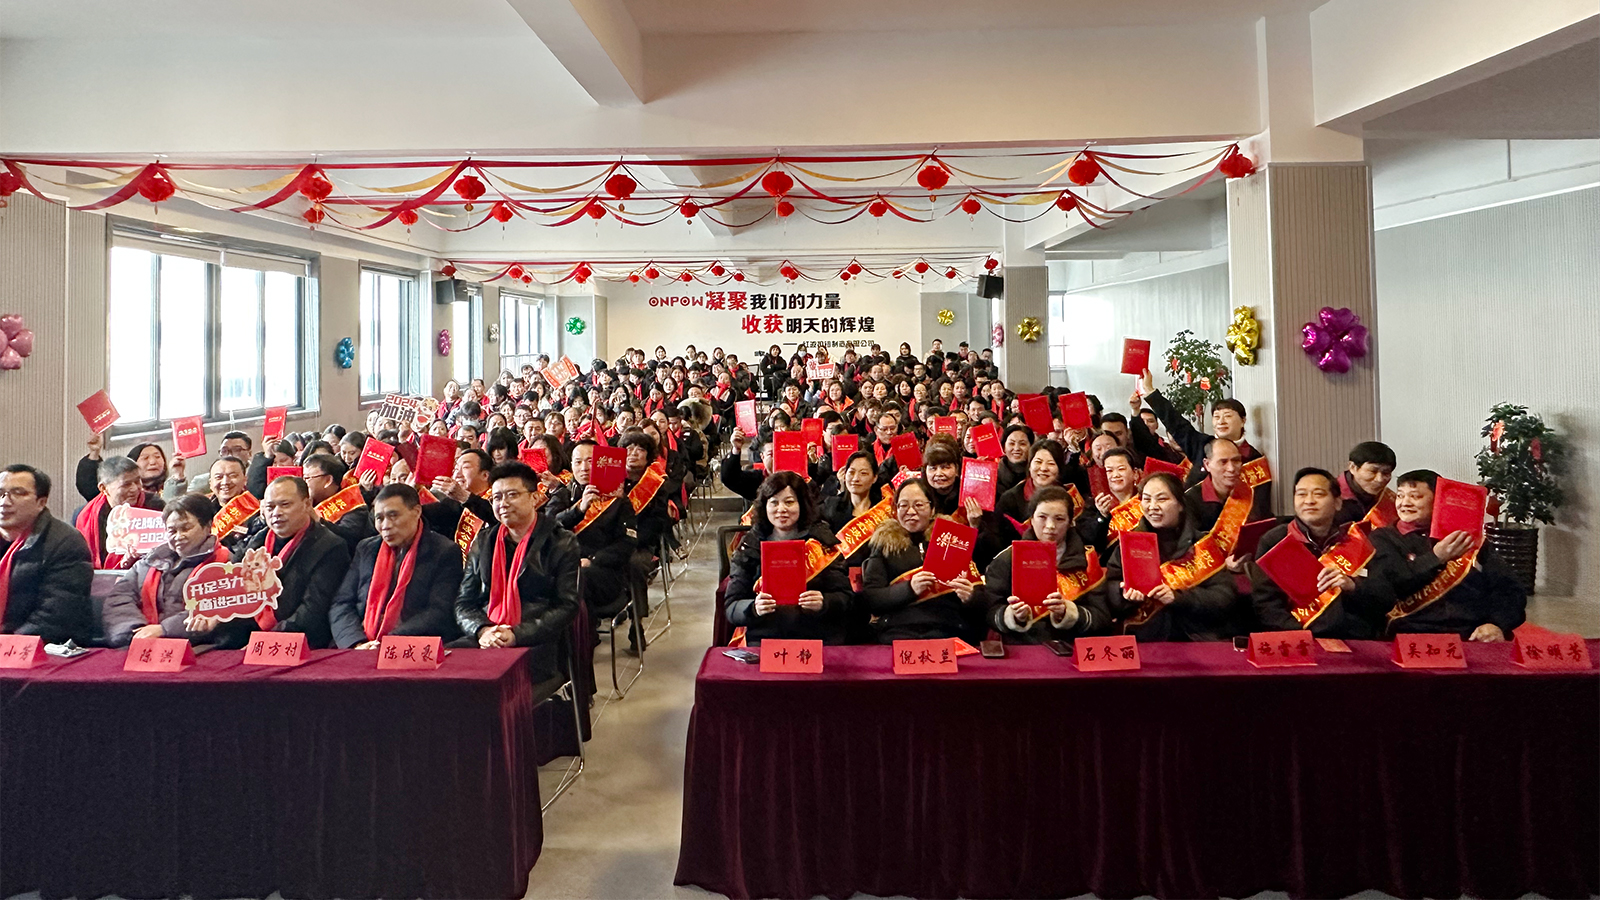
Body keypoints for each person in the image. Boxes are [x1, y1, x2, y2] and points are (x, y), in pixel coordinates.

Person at [455, 462, 581, 681]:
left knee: (487, 680)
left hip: (534, 641)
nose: (503, 503)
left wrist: (515, 635)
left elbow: (567, 606)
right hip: (487, 636)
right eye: (496, 498)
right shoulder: (484, 541)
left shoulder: (560, 541)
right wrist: (482, 630)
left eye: (512, 495)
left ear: (534, 497)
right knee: (441, 668)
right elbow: (464, 602)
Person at [1368, 469, 1525, 641]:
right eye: (1400, 495)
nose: (1405, 503)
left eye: (1415, 496)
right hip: (1410, 633)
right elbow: (1390, 585)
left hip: (1470, 635)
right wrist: (1436, 557)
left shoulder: (1465, 538)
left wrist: (1496, 623)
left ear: (1439, 500)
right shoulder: (1383, 538)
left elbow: (1510, 590)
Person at [1251, 468, 1390, 639]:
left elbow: (1384, 597)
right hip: (1297, 638)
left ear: (1338, 502)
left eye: (1318, 494)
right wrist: (1303, 636)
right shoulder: (1276, 541)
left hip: (1353, 638)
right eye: (1301, 494)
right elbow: (1266, 605)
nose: (1309, 501)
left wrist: (1353, 586)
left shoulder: (1355, 541)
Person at [1107, 472, 1245, 641]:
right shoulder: (1129, 544)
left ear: (1180, 504)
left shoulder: (1201, 544)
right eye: (1147, 499)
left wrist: (1179, 598)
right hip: (1144, 637)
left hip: (1196, 637)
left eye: (1162, 499)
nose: (1152, 506)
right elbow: (1110, 589)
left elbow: (1225, 595)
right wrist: (1124, 595)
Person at [216, 475, 351, 649]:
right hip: (249, 638)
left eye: (285, 505)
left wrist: (264, 641)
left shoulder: (330, 546)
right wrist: (216, 617)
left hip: (301, 644)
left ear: (307, 504)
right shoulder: (258, 540)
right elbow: (236, 592)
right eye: (270, 507)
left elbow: (312, 612)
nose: (276, 513)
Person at [724, 471, 852, 644]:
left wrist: (825, 602)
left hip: (816, 637)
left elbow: (847, 598)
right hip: (765, 639)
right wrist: (753, 608)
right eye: (774, 502)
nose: (781, 509)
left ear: (802, 504)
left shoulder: (821, 541)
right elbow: (731, 607)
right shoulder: (750, 545)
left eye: (789, 502)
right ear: (764, 506)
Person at [328, 484, 462, 649]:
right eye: (379, 518)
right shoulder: (366, 548)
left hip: (409, 646)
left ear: (416, 512)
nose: (386, 525)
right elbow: (342, 603)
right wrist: (356, 642)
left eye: (393, 516)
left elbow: (439, 611)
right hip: (360, 645)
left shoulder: (444, 551)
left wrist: (388, 643)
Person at [982, 485, 1115, 642]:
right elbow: (989, 611)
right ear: (1031, 519)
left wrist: (1069, 613)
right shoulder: (1007, 559)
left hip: (1072, 647)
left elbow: (1102, 617)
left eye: (1059, 519)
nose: (1050, 526)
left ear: (1070, 522)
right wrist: (1013, 616)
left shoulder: (1087, 560)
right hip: (1023, 648)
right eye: (1042, 517)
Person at [860, 478, 983, 643]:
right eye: (903, 505)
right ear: (895, 510)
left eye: (918, 505)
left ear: (932, 509)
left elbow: (981, 596)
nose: (911, 511)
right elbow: (872, 598)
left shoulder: (953, 539)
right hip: (899, 631)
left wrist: (971, 597)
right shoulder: (884, 544)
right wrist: (909, 588)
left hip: (948, 628)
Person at [101, 493, 231, 647]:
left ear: (207, 527)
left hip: (201, 647)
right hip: (141, 644)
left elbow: (220, 606)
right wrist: (135, 631)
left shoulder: (225, 563)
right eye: (172, 531)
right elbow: (118, 599)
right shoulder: (148, 562)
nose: (179, 536)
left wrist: (165, 630)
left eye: (186, 528)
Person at [1139, 369, 1272, 519]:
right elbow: (1176, 423)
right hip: (1193, 519)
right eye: (1216, 417)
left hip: (1234, 525)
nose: (1221, 421)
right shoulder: (1202, 444)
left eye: (1227, 416)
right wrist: (1150, 392)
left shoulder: (1254, 459)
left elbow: (1261, 505)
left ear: (1243, 420)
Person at [0, 465, 92, 643]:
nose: (4, 502)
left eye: (18, 493)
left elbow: (55, 617)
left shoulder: (66, 542)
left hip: (41, 646)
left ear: (41, 503)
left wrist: (9, 646)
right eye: (1, 493)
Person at [553, 440, 638, 621]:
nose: (584, 467)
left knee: (580, 579)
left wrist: (592, 560)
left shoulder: (618, 499)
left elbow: (626, 543)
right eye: (578, 462)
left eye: (590, 461)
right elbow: (549, 528)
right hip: (564, 566)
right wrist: (578, 510)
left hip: (602, 571)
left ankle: (585, 633)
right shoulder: (562, 495)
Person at [73, 455, 162, 569]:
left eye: (137, 481)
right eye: (126, 484)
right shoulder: (87, 516)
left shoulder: (155, 506)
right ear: (103, 488)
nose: (135, 488)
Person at [300, 453, 377, 553]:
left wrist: (317, 519)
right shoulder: (308, 501)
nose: (304, 483)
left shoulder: (353, 504)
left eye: (307, 478)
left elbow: (348, 538)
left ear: (328, 480)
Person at [1080, 448, 1144, 558]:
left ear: (1135, 474)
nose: (1115, 475)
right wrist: (1102, 516)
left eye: (1121, 469)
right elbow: (1090, 543)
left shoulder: (1145, 502)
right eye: (1109, 471)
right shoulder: (1094, 506)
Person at [1337, 441, 1398, 527]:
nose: (1379, 479)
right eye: (1373, 471)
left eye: (1386, 473)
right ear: (1353, 467)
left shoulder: (1390, 500)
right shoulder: (1331, 495)